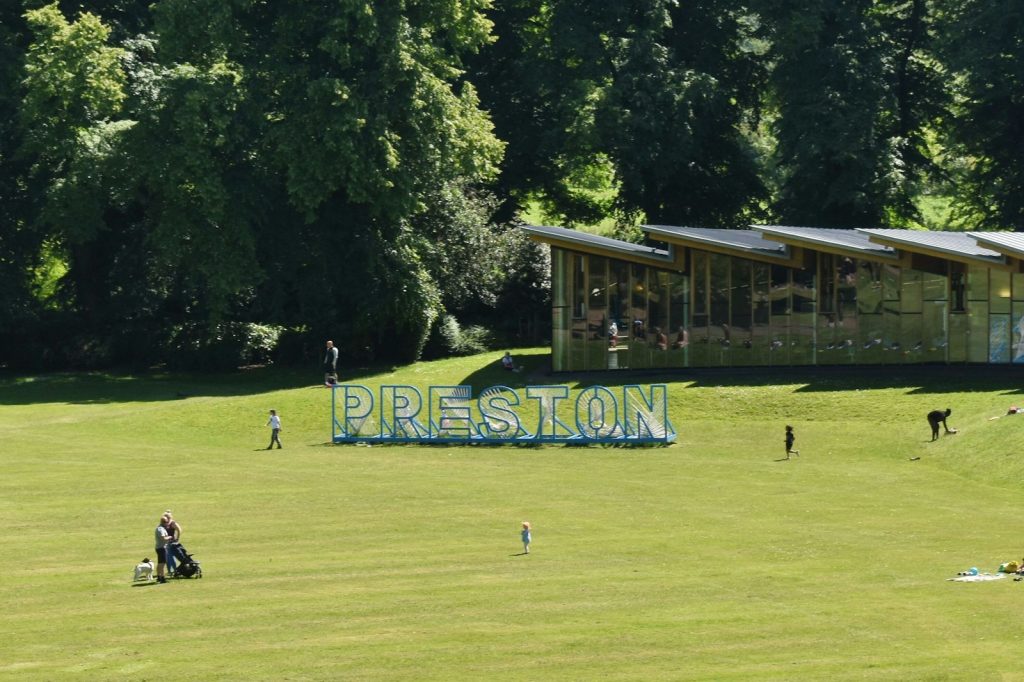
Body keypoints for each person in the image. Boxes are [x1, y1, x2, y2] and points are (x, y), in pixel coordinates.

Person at [154, 516, 173, 583]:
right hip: (162, 548)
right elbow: (163, 538)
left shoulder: (159, 528)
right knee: (162, 564)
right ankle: (162, 578)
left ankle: (159, 576)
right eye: (166, 522)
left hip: (159, 547)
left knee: (160, 563)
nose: (167, 523)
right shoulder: (161, 529)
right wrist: (170, 537)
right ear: (163, 522)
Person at [163, 511, 182, 576]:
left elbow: (179, 530)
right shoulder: (166, 523)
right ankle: (169, 571)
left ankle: (174, 570)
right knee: (167, 558)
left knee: (170, 557)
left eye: (166, 517)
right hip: (166, 542)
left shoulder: (172, 523)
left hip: (171, 542)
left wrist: (177, 538)